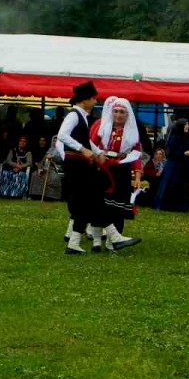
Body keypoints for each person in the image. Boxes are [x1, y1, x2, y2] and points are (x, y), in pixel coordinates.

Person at [57, 81, 140, 255]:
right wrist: (84, 150)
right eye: (94, 98)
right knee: (94, 199)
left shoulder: (82, 116)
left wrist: (97, 152)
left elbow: (86, 141)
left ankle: (74, 243)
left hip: (80, 163)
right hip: (76, 164)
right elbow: (62, 135)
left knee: (86, 202)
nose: (95, 102)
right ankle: (115, 237)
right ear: (85, 99)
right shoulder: (74, 115)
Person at [87, 97, 143, 251]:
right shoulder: (103, 127)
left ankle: (113, 242)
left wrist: (137, 176)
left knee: (117, 207)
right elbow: (91, 144)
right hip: (103, 166)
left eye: (122, 112)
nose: (118, 115)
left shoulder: (132, 132)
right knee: (101, 203)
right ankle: (97, 239)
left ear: (127, 115)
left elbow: (136, 153)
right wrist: (98, 156)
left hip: (122, 169)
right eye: (116, 111)